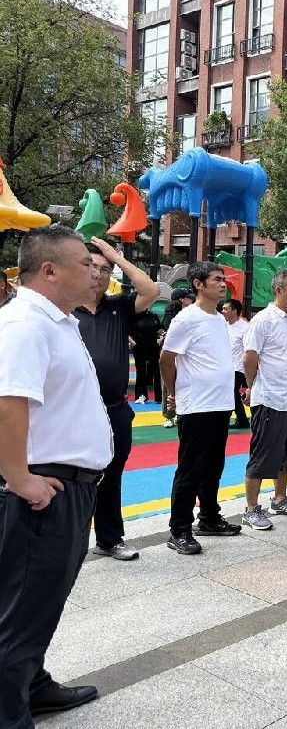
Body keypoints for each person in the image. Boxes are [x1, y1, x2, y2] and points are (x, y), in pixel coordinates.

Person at [0, 225, 112, 725]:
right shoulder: (25, 323)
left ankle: (32, 684)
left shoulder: (59, 321)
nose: (96, 273)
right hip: (42, 489)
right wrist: (19, 478)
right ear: (49, 270)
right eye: (85, 265)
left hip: (69, 486)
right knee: (21, 607)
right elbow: (8, 403)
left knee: (42, 600)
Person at [73, 237, 159, 562]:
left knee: (112, 475)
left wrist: (117, 258)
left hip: (114, 410)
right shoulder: (63, 308)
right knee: (73, 478)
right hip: (75, 412)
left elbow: (151, 290)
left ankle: (109, 539)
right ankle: (70, 542)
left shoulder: (118, 307)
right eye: (91, 265)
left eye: (105, 268)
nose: (98, 273)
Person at [160, 262, 242, 554]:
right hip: (197, 405)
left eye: (223, 279)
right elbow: (166, 358)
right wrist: (173, 393)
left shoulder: (219, 319)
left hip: (221, 403)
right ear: (198, 284)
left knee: (213, 466)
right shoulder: (186, 319)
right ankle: (179, 529)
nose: (223, 284)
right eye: (216, 279)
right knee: (190, 469)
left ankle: (209, 517)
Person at [240, 269, 287, 531]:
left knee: (286, 453)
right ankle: (251, 508)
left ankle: (280, 498)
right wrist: (252, 386)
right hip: (270, 397)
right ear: (279, 290)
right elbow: (249, 357)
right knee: (262, 454)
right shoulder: (263, 320)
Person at [158, 289, 195, 428]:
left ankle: (178, 413)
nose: (191, 300)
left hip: (184, 355)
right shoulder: (173, 316)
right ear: (182, 300)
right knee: (169, 385)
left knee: (180, 384)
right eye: (188, 298)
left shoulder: (192, 314)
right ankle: (169, 414)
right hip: (173, 353)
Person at [221, 298, 251, 429]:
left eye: (225, 308)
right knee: (229, 393)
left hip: (237, 366)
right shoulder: (224, 325)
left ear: (234, 311)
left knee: (232, 392)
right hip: (225, 365)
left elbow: (249, 348)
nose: (223, 311)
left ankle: (237, 419)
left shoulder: (244, 328)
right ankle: (241, 419)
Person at [131, 308, 163, 404]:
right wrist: (133, 343)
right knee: (141, 371)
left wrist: (160, 339)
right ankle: (141, 395)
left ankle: (159, 396)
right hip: (139, 346)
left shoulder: (153, 316)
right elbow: (127, 332)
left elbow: (160, 329)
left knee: (157, 371)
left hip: (153, 346)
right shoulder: (133, 317)